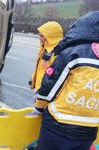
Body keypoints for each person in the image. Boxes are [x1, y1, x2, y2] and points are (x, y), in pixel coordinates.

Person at [33, 11, 99, 150]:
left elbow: (49, 87)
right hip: (89, 130)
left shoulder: (73, 52)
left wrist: (39, 106)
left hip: (58, 125)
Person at [29, 21, 63, 91]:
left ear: (50, 37)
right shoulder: (45, 48)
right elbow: (40, 67)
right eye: (39, 35)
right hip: (40, 88)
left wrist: (44, 91)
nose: (40, 38)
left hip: (45, 90)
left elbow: (55, 75)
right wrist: (33, 79)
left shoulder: (57, 52)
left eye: (42, 36)